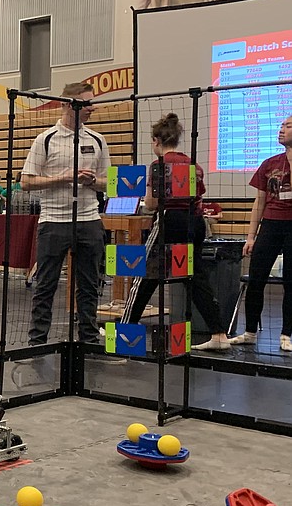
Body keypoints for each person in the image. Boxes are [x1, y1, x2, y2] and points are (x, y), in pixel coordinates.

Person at [125, 113, 231, 352]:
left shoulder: (159, 166)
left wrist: (143, 200)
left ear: (155, 141)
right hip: (194, 223)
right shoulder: (195, 166)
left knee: (144, 274)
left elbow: (152, 203)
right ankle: (219, 333)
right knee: (194, 277)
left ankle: (127, 328)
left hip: (168, 221)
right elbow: (198, 196)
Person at [20, 81, 110, 346]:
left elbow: (109, 181)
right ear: (69, 105)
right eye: (87, 103)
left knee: (90, 284)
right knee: (46, 285)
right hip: (54, 221)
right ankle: (37, 341)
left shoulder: (97, 140)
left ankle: (89, 338)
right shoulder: (45, 140)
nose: (93, 108)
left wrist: (92, 181)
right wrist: (63, 178)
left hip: (89, 219)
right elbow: (26, 181)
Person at [230, 114, 292, 352]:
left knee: (290, 282)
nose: (281, 129)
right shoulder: (269, 164)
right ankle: (250, 332)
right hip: (271, 224)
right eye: (281, 125)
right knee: (256, 278)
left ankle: (286, 334)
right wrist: (250, 236)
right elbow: (259, 202)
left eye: (288, 126)